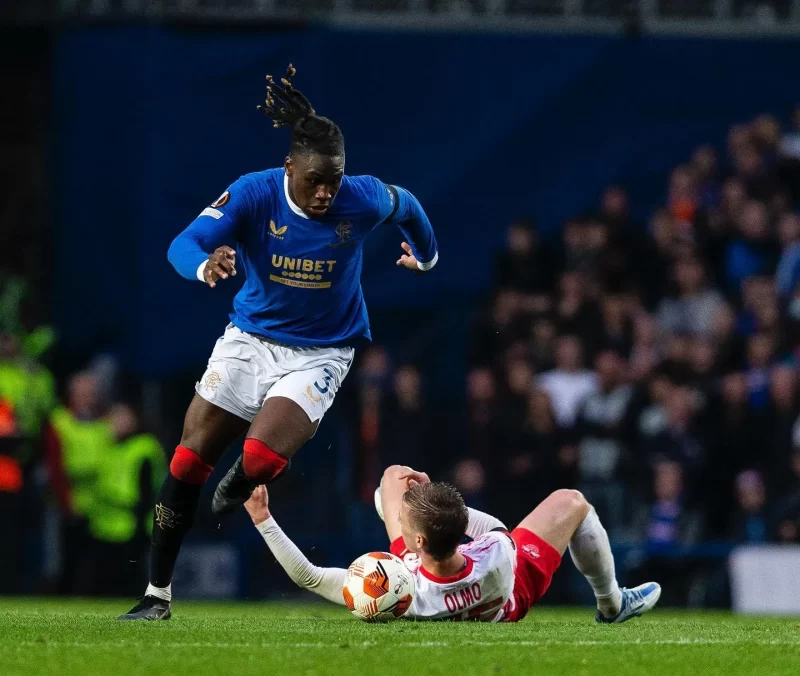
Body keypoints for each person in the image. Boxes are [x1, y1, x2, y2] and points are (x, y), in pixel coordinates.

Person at [120, 65, 438, 620]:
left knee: (261, 456)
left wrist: (426, 256)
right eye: (314, 180)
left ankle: (243, 476)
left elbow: (407, 204)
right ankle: (156, 595)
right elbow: (184, 243)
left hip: (323, 351)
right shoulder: (253, 193)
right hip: (250, 340)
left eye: (333, 180)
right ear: (290, 167)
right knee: (187, 463)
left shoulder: (361, 198)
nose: (325, 192)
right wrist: (203, 266)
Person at [244, 466, 661, 623]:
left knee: (390, 483)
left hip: (433, 579)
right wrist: (433, 501)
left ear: (416, 542)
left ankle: (396, 505)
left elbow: (309, 577)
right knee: (572, 502)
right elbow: (495, 529)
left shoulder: (403, 590)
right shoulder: (497, 553)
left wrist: (263, 518)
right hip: (511, 593)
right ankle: (612, 603)